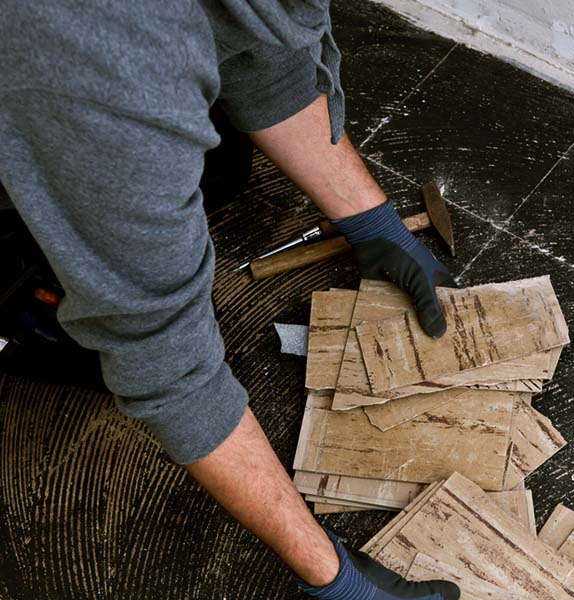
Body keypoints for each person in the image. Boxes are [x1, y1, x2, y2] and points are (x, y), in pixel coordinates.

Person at [0, 1, 459, 598]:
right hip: (63, 73)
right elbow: (170, 366)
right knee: (103, 344)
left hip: (96, 80)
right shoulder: (105, 59)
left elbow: (255, 43)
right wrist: (336, 579)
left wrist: (373, 223)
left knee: (220, 162)